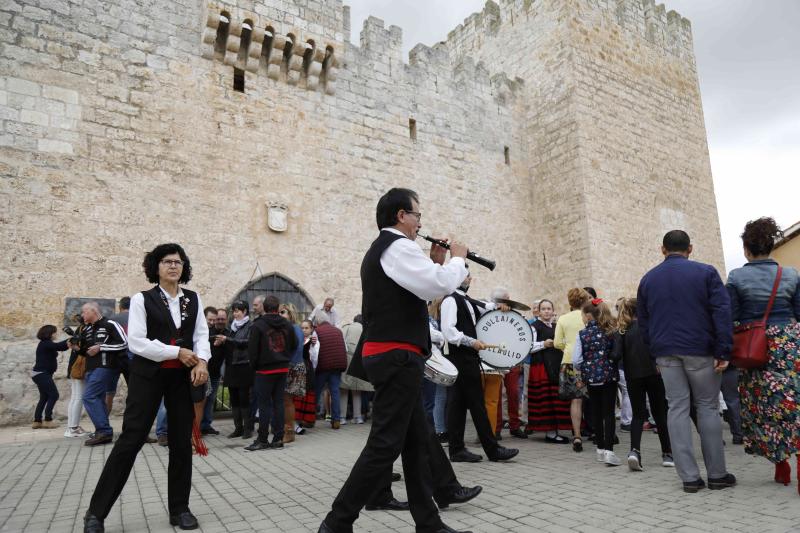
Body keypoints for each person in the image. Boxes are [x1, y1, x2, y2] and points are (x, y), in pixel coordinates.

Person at [319, 187, 472, 533]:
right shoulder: (397, 245)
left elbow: (415, 291)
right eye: (418, 216)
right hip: (396, 356)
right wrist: (457, 259)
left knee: (416, 445)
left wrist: (434, 260)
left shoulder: (389, 250)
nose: (420, 223)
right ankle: (337, 522)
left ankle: (428, 523)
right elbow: (438, 285)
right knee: (385, 443)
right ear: (401, 216)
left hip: (394, 355)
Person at [83, 243, 210, 533]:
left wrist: (201, 361)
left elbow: (202, 335)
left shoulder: (193, 299)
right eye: (166, 261)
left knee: (180, 443)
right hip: (148, 376)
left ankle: (180, 509)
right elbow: (137, 342)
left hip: (181, 378)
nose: (173, 266)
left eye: (178, 261)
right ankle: (96, 513)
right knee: (131, 440)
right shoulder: (143, 299)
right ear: (156, 267)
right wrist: (175, 352)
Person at [637, 230, 736, 493]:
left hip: (665, 352)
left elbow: (644, 323)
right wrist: (724, 350)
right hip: (700, 349)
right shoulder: (706, 273)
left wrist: (654, 354)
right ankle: (717, 474)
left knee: (677, 408)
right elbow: (721, 311)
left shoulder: (648, 280)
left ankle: (690, 477)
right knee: (707, 407)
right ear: (690, 248)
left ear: (662, 249)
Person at [726, 217, 800, 493]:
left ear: (746, 249)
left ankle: (780, 465)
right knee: (794, 402)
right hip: (790, 345)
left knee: (765, 407)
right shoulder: (791, 274)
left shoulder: (736, 277)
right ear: (771, 246)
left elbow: (730, 317)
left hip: (755, 347)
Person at [441, 271, 518, 463]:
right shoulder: (451, 300)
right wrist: (471, 342)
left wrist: (500, 307)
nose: (469, 279)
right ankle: (492, 449)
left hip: (467, 358)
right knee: (476, 404)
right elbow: (448, 332)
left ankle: (457, 450)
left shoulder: (468, 300)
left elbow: (486, 307)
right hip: (460, 358)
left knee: (457, 405)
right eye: (466, 275)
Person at [612, 298, 672, 471]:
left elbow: (616, 355)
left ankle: (634, 451)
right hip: (654, 373)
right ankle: (667, 453)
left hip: (632, 376)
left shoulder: (621, 331)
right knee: (660, 414)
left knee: (637, 416)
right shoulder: (650, 327)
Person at [245, 295, 298, 451]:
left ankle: (262, 439)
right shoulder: (287, 325)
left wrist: (255, 367)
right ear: (278, 307)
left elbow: (252, 350)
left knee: (264, 404)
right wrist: (284, 358)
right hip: (282, 367)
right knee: (278, 403)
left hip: (264, 369)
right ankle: (278, 439)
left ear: (264, 307)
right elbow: (294, 344)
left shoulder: (258, 325)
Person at [573, 299, 620, 466]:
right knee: (609, 414)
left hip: (591, 378)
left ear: (587, 315)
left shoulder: (582, 334)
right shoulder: (610, 331)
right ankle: (609, 450)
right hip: (609, 377)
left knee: (596, 413)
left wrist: (587, 366)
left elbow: (576, 360)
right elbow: (616, 354)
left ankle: (600, 450)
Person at [80, 302, 128, 446]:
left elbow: (124, 343)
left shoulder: (110, 324)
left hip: (106, 366)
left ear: (93, 311)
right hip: (91, 368)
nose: (82, 315)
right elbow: (87, 351)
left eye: (84, 312)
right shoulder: (87, 329)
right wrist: (77, 347)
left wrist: (101, 347)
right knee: (98, 398)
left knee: (88, 396)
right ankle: (102, 432)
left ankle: (104, 431)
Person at [526, 300, 571, 443]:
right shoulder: (533, 327)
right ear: (538, 311)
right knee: (547, 399)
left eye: (549, 309)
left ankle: (555, 430)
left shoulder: (557, 326)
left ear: (553, 311)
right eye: (543, 309)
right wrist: (543, 344)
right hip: (541, 366)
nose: (546, 311)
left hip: (556, 365)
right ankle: (550, 433)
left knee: (556, 398)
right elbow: (527, 347)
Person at [554, 288, 591, 452]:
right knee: (594, 398)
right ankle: (599, 432)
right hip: (589, 360)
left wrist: (567, 347)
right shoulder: (589, 315)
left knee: (576, 400)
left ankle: (577, 435)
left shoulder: (563, 318)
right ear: (584, 300)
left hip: (569, 361)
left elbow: (557, 343)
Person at [489, 288, 524, 439]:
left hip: (511, 359)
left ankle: (514, 426)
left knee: (514, 393)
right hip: (494, 358)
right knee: (495, 394)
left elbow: (521, 337)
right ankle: (495, 428)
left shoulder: (515, 316)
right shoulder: (488, 314)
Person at [218, 300, 254, 439]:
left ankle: (248, 429)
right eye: (233, 311)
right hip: (231, 366)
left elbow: (248, 343)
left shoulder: (250, 326)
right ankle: (238, 428)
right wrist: (221, 342)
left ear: (245, 311)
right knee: (234, 399)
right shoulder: (231, 327)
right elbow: (229, 345)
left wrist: (228, 339)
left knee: (244, 398)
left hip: (243, 365)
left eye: (237, 311)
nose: (235, 313)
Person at [31, 325, 71, 429]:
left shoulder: (46, 344)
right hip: (41, 374)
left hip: (40, 374)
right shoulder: (45, 344)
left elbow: (62, 347)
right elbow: (58, 346)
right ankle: (48, 420)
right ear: (50, 333)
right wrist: (72, 338)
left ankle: (37, 421)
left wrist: (71, 341)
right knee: (54, 395)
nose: (56, 334)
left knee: (44, 397)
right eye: (55, 332)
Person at [313, 311, 347, 429]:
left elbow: (315, 350)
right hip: (337, 366)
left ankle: (310, 419)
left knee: (316, 392)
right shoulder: (338, 331)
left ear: (317, 321)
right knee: (335, 392)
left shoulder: (317, 331)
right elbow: (344, 348)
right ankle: (336, 420)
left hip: (323, 367)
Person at [340, 315, 373, 424]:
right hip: (360, 361)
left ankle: (342, 418)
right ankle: (358, 417)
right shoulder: (365, 329)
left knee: (344, 390)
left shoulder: (347, 327)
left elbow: (341, 343)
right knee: (357, 390)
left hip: (347, 359)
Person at [201, 306, 224, 435]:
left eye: (213, 320)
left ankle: (206, 425)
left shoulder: (217, 332)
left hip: (214, 373)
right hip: (203, 372)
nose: (212, 322)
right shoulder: (200, 331)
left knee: (210, 401)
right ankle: (197, 427)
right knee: (201, 400)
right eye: (209, 319)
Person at [64, 319, 89, 438]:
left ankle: (72, 427)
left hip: (73, 366)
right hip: (78, 366)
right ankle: (73, 428)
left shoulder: (80, 330)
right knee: (78, 397)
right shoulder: (83, 329)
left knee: (75, 397)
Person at [294, 319, 319, 432]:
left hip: (307, 369)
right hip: (297, 367)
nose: (304, 330)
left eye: (306, 328)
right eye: (302, 328)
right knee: (296, 394)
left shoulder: (313, 341)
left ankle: (302, 420)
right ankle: (295, 421)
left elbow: (314, 359)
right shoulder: (298, 338)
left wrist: (313, 345)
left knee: (305, 393)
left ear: (311, 329)